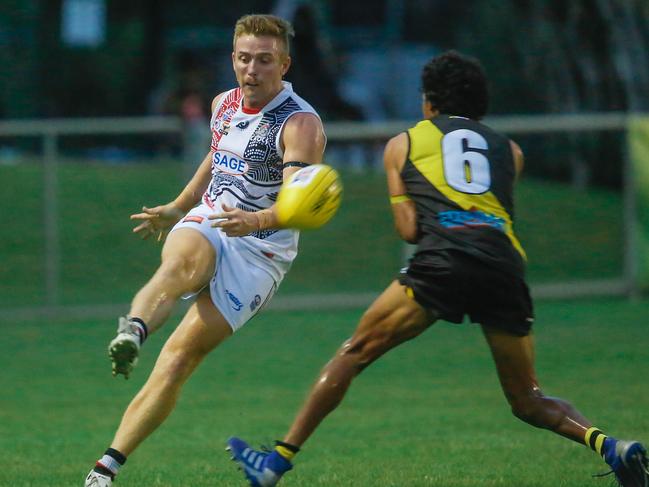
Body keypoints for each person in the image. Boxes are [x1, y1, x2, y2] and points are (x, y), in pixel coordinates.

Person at [227, 51, 649, 487]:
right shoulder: (512, 151)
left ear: (428, 102)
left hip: (444, 260)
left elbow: (410, 230)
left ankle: (275, 463)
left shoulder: (403, 143)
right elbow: (493, 214)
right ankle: (610, 445)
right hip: (503, 266)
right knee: (527, 398)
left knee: (353, 353)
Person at [84, 14, 326, 487]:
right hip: (215, 218)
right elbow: (216, 157)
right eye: (243, 58)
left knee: (178, 359)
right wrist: (178, 207)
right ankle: (133, 330)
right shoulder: (223, 103)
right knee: (179, 263)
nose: (251, 70)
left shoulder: (301, 124)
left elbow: (297, 204)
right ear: (232, 59)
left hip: (261, 253)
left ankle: (105, 467)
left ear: (284, 63)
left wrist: (254, 220)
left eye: (264, 60)